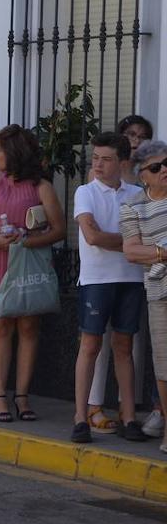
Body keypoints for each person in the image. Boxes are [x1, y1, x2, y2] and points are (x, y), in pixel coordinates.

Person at [0, 125, 65, 423]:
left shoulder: (42, 187)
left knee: (28, 327)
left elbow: (59, 229)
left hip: (27, 263)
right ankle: (0, 394)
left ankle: (22, 395)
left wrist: (26, 241)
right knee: (0, 326)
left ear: (14, 153)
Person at [71, 132, 149, 443]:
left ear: (122, 162)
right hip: (97, 279)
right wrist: (131, 243)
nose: (98, 164)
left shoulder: (136, 193)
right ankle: (80, 417)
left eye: (106, 159)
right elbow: (93, 236)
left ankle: (128, 416)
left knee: (124, 347)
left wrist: (127, 244)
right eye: (96, 158)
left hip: (131, 278)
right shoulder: (85, 192)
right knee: (90, 345)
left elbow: (142, 237)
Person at [119, 138, 167, 456]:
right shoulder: (133, 205)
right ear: (142, 175)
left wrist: (155, 254)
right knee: (164, 366)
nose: (164, 170)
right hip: (158, 292)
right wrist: (164, 253)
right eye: (156, 167)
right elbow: (132, 251)